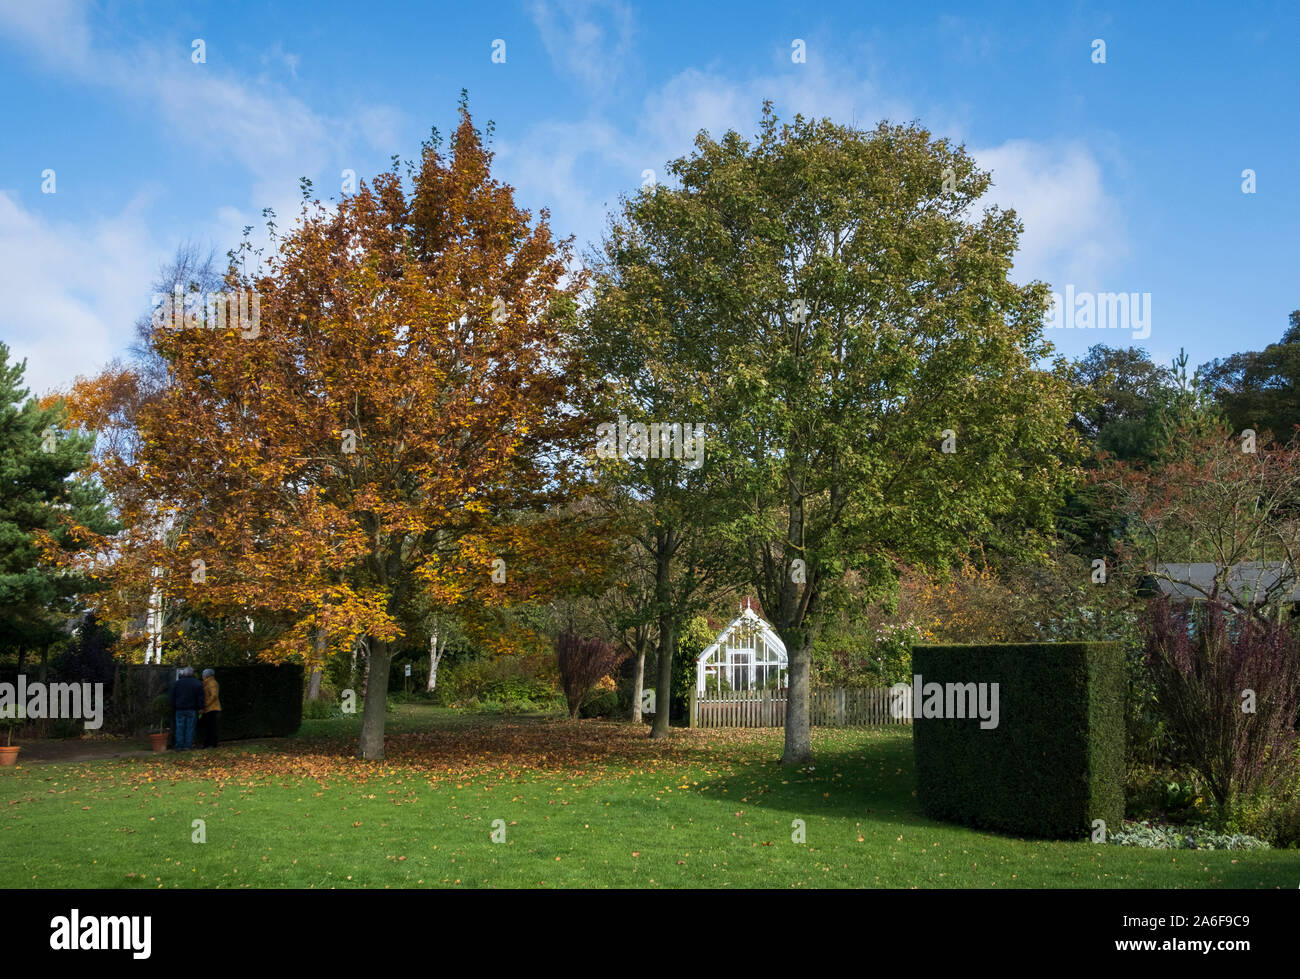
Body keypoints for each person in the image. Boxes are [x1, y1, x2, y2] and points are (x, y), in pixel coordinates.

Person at [171, 666, 204, 751]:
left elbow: (173, 696)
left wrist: (174, 706)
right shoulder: (198, 683)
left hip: (179, 708)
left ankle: (179, 745)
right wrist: (201, 708)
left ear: (184, 673)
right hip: (192, 709)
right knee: (190, 727)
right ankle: (187, 745)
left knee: (179, 727)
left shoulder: (177, 683)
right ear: (192, 673)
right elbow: (200, 697)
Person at [199, 668, 222, 749]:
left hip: (212, 708)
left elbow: (214, 696)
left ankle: (212, 744)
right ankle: (208, 743)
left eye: (203, 674)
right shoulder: (207, 683)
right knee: (208, 727)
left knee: (211, 727)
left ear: (206, 675)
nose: (202, 676)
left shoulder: (212, 683)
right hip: (210, 708)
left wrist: (206, 704)